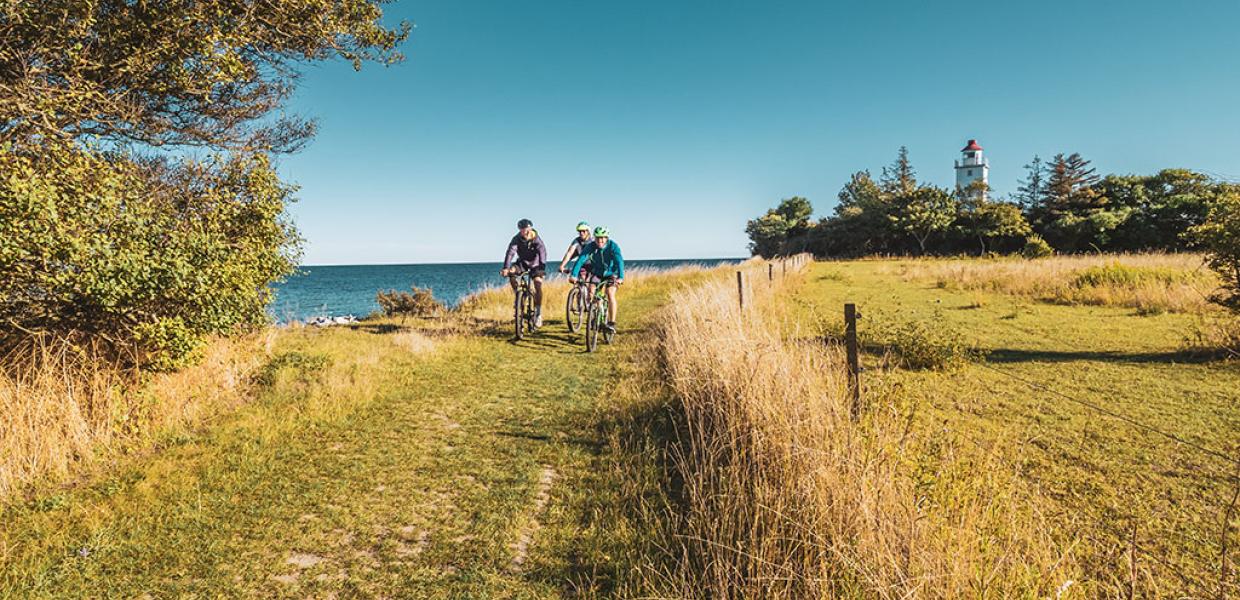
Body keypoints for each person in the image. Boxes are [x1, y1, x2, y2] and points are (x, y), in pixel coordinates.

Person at [569, 226, 624, 333]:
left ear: (607, 238)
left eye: (603, 238)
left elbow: (619, 262)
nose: (600, 240)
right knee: (591, 293)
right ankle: (596, 316)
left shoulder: (613, 246)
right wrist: (574, 275)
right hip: (597, 273)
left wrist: (621, 277)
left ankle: (611, 323)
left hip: (612, 273)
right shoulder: (591, 246)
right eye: (598, 238)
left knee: (610, 293)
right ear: (594, 237)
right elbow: (581, 260)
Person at [500, 218, 548, 327]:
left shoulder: (536, 239)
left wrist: (542, 267)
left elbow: (542, 252)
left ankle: (538, 313)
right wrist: (506, 268)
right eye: (522, 230)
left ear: (530, 229)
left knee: (537, 284)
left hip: (536, 264)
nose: (525, 232)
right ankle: (518, 295)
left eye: (527, 230)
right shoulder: (516, 239)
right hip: (522, 263)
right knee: (511, 273)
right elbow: (510, 253)